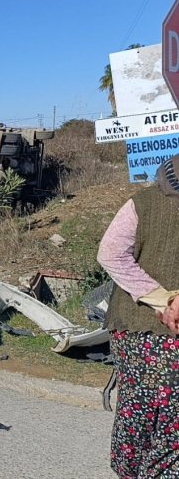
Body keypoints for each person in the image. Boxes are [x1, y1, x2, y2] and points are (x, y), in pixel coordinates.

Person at [97, 155, 179, 477]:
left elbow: (110, 253)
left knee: (138, 411)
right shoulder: (144, 204)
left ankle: (130, 469)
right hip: (145, 332)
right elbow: (111, 254)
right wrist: (166, 300)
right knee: (165, 422)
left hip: (133, 329)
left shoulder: (141, 202)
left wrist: (163, 300)